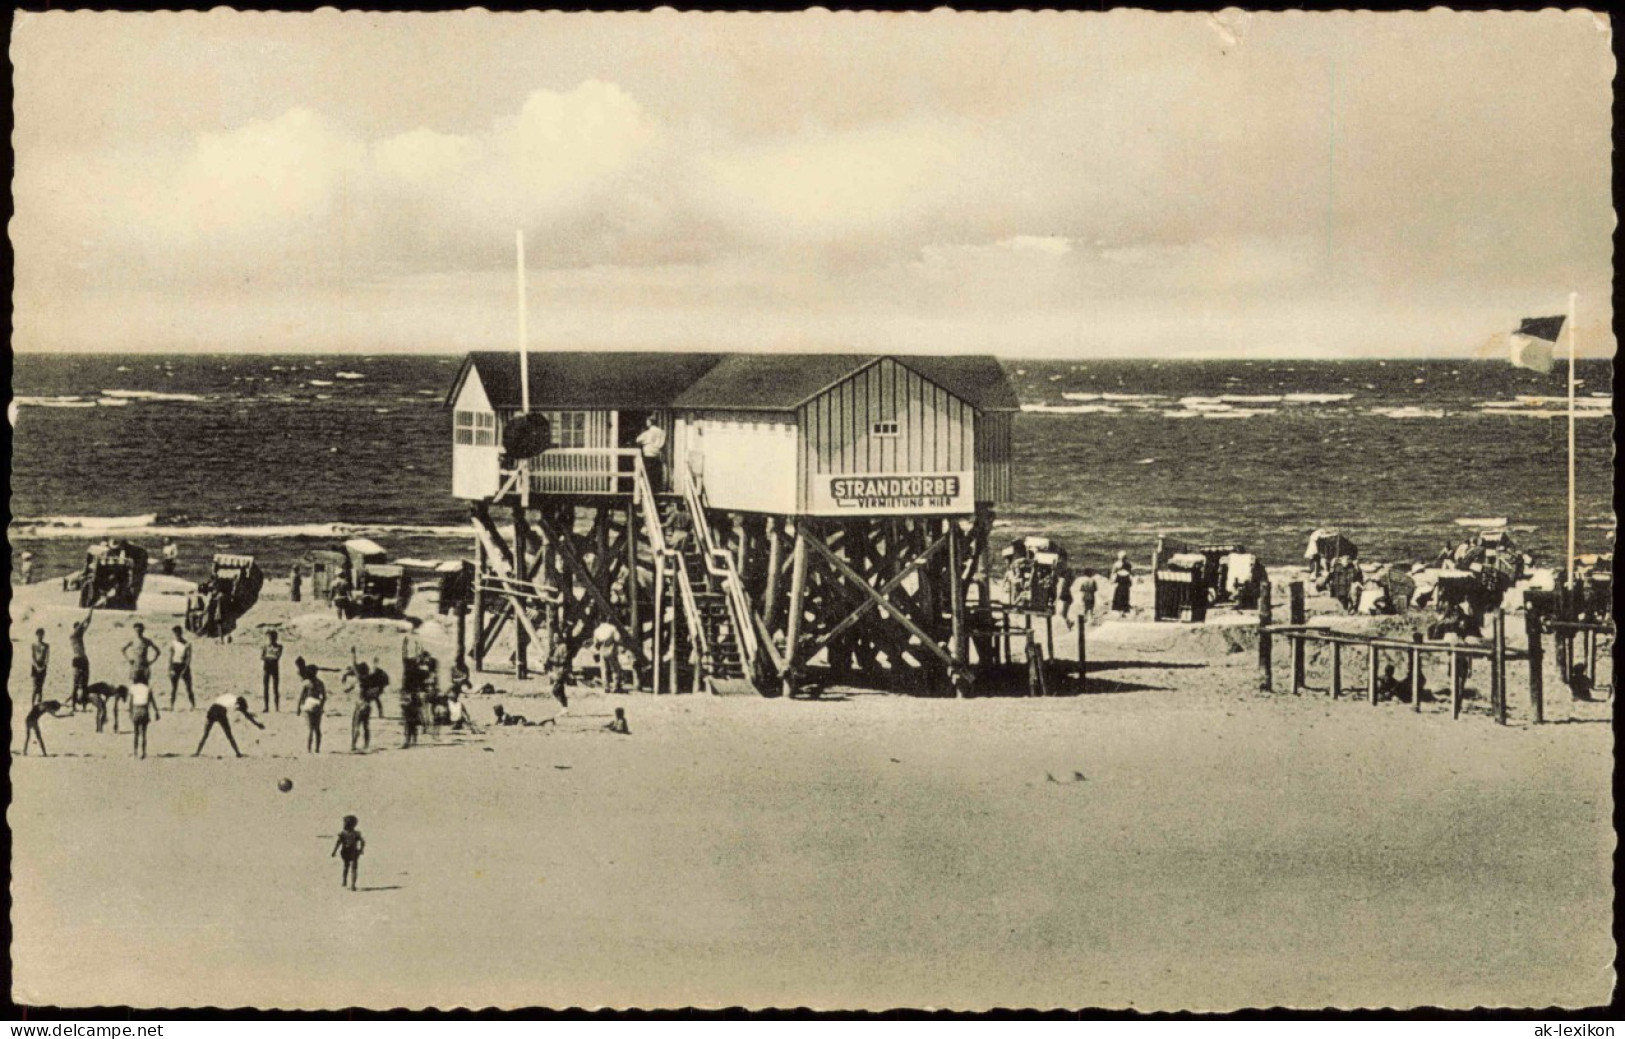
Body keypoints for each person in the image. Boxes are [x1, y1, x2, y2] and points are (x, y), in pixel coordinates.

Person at [194, 694, 265, 757]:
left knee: (205, 734)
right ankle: (238, 753)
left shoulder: (230, 696)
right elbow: (246, 714)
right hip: (220, 711)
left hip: (212, 709)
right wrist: (257, 724)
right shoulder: (236, 702)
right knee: (229, 734)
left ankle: (197, 752)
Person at [68, 608, 94, 710]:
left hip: (83, 660)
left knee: (84, 684)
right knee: (75, 684)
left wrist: (91, 612)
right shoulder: (73, 636)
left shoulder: (80, 636)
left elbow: (88, 623)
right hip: (77, 660)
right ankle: (73, 705)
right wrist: (87, 616)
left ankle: (83, 705)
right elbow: (82, 625)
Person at [299, 662, 328, 754]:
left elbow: (302, 696)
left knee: (310, 728)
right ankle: (317, 749)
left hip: (309, 704)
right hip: (317, 705)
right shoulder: (320, 683)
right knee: (317, 729)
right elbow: (324, 696)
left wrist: (298, 708)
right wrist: (321, 706)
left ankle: (309, 749)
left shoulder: (306, 683)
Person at [331, 815, 365, 891]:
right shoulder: (355, 833)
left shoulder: (345, 833)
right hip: (350, 852)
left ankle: (350, 883)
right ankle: (348, 882)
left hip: (350, 852)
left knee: (350, 867)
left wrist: (334, 851)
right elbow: (362, 842)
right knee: (351, 867)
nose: (344, 824)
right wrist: (361, 849)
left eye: (345, 823)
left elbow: (338, 843)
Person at [635, 415, 667, 492]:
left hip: (648, 454)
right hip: (657, 454)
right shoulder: (661, 432)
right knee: (656, 473)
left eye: (647, 421)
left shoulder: (648, 433)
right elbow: (663, 442)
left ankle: (649, 489)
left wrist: (645, 443)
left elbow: (638, 440)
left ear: (650, 422)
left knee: (649, 473)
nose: (646, 423)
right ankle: (657, 489)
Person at [166, 626, 195, 709]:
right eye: (175, 634)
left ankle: (192, 705)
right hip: (175, 665)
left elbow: (189, 658)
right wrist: (170, 669)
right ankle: (171, 705)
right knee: (174, 687)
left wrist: (185, 669)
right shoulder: (173, 643)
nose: (176, 635)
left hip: (184, 665)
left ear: (181, 633)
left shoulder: (187, 644)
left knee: (188, 687)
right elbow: (171, 657)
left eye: (178, 633)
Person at [592, 622, 625, 693]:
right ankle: (615, 687)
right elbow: (618, 638)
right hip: (611, 649)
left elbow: (595, 643)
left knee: (604, 670)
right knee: (615, 669)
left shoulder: (597, 630)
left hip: (602, 650)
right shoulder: (612, 628)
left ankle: (606, 687)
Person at [127, 682, 158, 758]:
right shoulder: (148, 688)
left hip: (136, 710)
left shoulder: (133, 688)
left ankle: (135, 752)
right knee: (144, 734)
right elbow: (152, 701)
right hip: (144, 710)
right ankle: (143, 752)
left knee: (136, 733)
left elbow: (131, 702)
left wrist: (131, 713)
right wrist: (156, 712)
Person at [261, 630, 284, 712]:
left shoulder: (279, 647)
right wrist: (270, 658)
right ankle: (266, 707)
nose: (272, 639)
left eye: (273, 637)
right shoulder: (265, 646)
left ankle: (277, 707)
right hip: (267, 668)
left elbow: (277, 657)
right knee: (266, 688)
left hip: (274, 668)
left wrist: (268, 658)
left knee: (275, 688)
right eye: (270, 637)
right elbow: (262, 657)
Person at [29, 628, 50, 705]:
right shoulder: (34, 645)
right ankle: (32, 704)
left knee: (40, 687)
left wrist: (43, 666)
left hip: (43, 666)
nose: (40, 636)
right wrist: (37, 667)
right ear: (36, 635)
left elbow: (47, 658)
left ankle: (39, 704)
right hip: (35, 666)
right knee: (35, 687)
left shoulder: (46, 645)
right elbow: (33, 657)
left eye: (42, 634)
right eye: (39, 634)